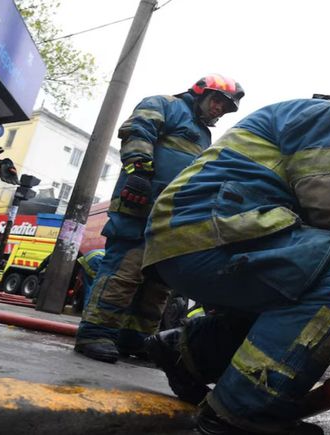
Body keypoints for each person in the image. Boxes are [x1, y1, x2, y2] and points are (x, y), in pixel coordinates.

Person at [141, 91, 330, 434]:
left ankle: (188, 354)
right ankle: (241, 411)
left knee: (305, 284)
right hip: (216, 231)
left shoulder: (308, 121)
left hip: (195, 237)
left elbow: (321, 215)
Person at [74, 75, 245, 363]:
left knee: (157, 283)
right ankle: (96, 333)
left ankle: (136, 338)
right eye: (217, 101)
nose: (219, 109)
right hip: (138, 204)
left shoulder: (204, 135)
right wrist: (139, 172)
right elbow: (137, 130)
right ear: (201, 92)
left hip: (170, 217)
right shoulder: (165, 105)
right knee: (124, 272)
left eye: (225, 108)